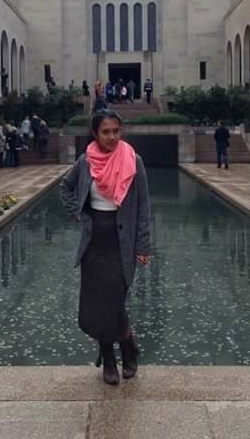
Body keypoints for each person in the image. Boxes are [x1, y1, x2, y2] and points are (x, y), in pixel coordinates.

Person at [60, 109, 152, 386]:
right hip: (93, 246)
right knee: (96, 304)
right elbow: (66, 188)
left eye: (116, 131)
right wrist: (78, 212)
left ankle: (129, 348)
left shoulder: (133, 161)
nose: (112, 137)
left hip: (120, 245)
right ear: (95, 133)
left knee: (114, 304)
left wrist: (143, 245)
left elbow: (144, 207)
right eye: (105, 132)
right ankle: (108, 360)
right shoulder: (85, 161)